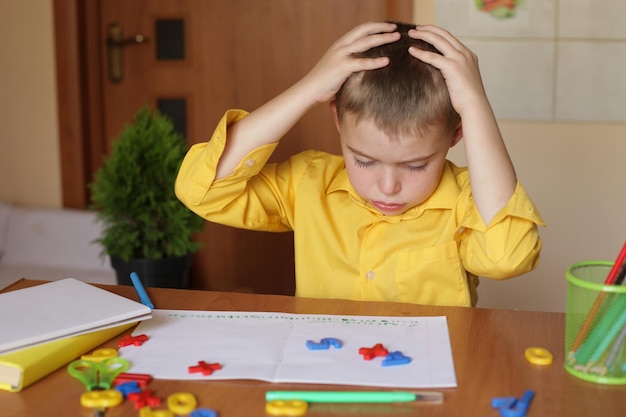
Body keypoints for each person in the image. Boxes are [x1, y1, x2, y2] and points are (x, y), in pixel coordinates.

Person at [175, 22, 544, 307]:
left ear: (457, 133)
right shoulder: (308, 182)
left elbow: (507, 257)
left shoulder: (469, 202)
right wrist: (309, 88)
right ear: (337, 119)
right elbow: (203, 191)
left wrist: (476, 105)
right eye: (364, 160)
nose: (387, 186)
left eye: (415, 166)